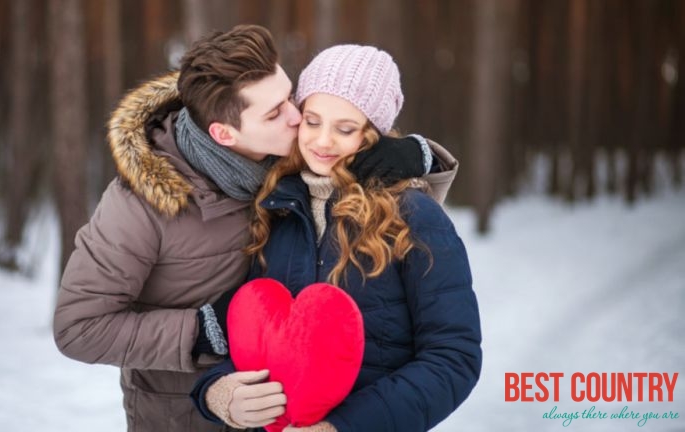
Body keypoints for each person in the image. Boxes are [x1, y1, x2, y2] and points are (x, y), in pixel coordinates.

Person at [53, 25, 460, 432]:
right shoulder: (138, 208)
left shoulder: (285, 179)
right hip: (182, 415)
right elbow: (77, 327)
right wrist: (204, 334)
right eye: (276, 112)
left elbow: (380, 199)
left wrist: (417, 154)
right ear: (224, 134)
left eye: (290, 97)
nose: (297, 117)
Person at [191, 45, 482, 432]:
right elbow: (260, 335)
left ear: (372, 134)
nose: (323, 141)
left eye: (345, 129)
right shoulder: (276, 208)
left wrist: (343, 427)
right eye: (312, 122)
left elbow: (453, 357)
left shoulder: (413, 215)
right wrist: (218, 393)